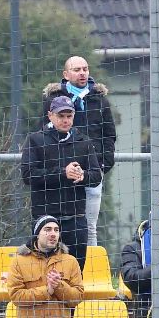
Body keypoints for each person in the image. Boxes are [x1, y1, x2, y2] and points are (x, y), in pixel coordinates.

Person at [21, 95, 102, 270]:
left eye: (69, 116)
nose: (65, 120)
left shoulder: (84, 142)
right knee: (44, 272)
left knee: (75, 273)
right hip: (45, 219)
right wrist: (62, 172)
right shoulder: (35, 140)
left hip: (76, 219)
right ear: (50, 115)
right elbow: (28, 175)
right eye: (61, 116)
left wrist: (83, 175)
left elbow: (97, 176)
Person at [42, 56, 116, 248]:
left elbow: (109, 135)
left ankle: (89, 263)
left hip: (92, 171)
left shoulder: (100, 100)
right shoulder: (52, 100)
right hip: (61, 173)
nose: (82, 73)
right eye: (77, 70)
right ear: (66, 74)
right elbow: (44, 134)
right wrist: (57, 168)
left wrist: (102, 165)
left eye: (85, 69)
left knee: (89, 226)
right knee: (55, 225)